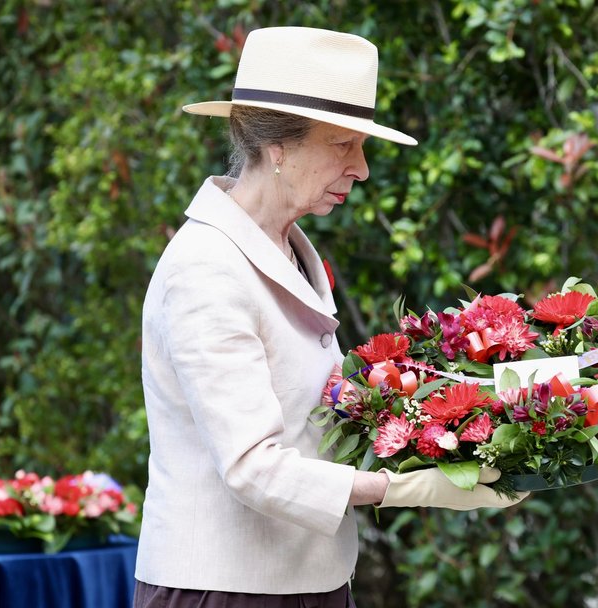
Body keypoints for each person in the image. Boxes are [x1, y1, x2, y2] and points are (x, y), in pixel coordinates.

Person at [133, 26, 527, 608]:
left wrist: (456, 428)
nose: (363, 168)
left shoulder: (285, 248)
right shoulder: (206, 268)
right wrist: (405, 488)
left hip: (307, 581)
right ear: (278, 147)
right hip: (223, 589)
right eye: (344, 144)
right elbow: (251, 467)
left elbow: (309, 418)